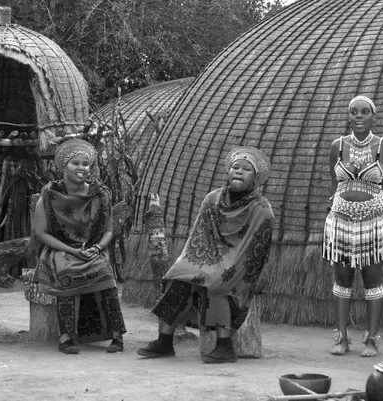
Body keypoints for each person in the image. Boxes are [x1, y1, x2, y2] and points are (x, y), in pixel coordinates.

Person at [137, 146, 274, 363]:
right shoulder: (213, 199)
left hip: (241, 265)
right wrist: (202, 262)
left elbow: (256, 251)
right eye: (235, 167)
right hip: (208, 256)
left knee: (217, 281)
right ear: (228, 171)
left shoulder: (262, 208)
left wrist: (221, 266)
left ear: (255, 178)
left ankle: (225, 345)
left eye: (246, 169)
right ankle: (164, 340)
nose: (239, 171)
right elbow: (198, 236)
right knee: (179, 275)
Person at [32, 137, 126, 354]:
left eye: (85, 164)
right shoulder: (50, 194)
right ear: (64, 166)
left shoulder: (100, 194)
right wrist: (71, 250)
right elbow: (41, 233)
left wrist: (98, 248)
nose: (81, 168)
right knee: (66, 271)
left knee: (105, 272)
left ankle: (117, 335)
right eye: (76, 163)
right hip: (60, 249)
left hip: (92, 248)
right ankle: (65, 337)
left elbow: (109, 230)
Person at [323, 96, 383, 357]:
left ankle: (371, 340)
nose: (359, 116)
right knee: (342, 278)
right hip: (340, 220)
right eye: (353, 112)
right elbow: (335, 184)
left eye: (365, 112)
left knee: (372, 278)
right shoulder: (337, 145)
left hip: (373, 221)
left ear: (373, 117)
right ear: (349, 116)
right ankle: (341, 338)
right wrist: (339, 205)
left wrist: (366, 204)